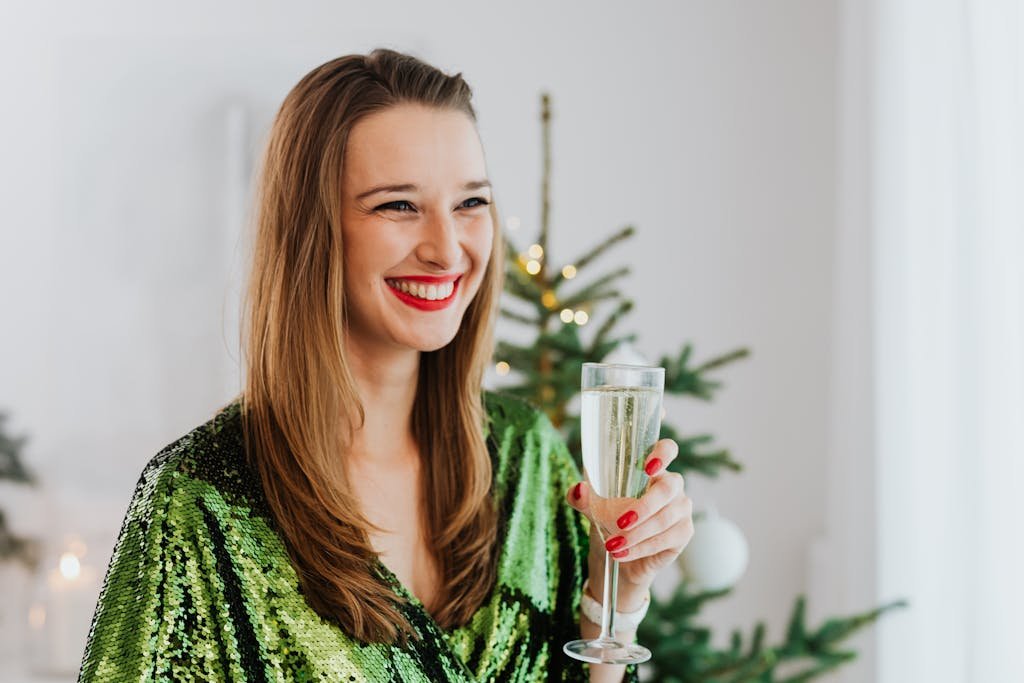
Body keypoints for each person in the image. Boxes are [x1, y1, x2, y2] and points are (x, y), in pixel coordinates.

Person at [77, 48, 693, 682]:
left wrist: (615, 596)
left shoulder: (527, 458)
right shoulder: (198, 502)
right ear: (313, 230)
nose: (447, 249)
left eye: (470, 203)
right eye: (399, 205)